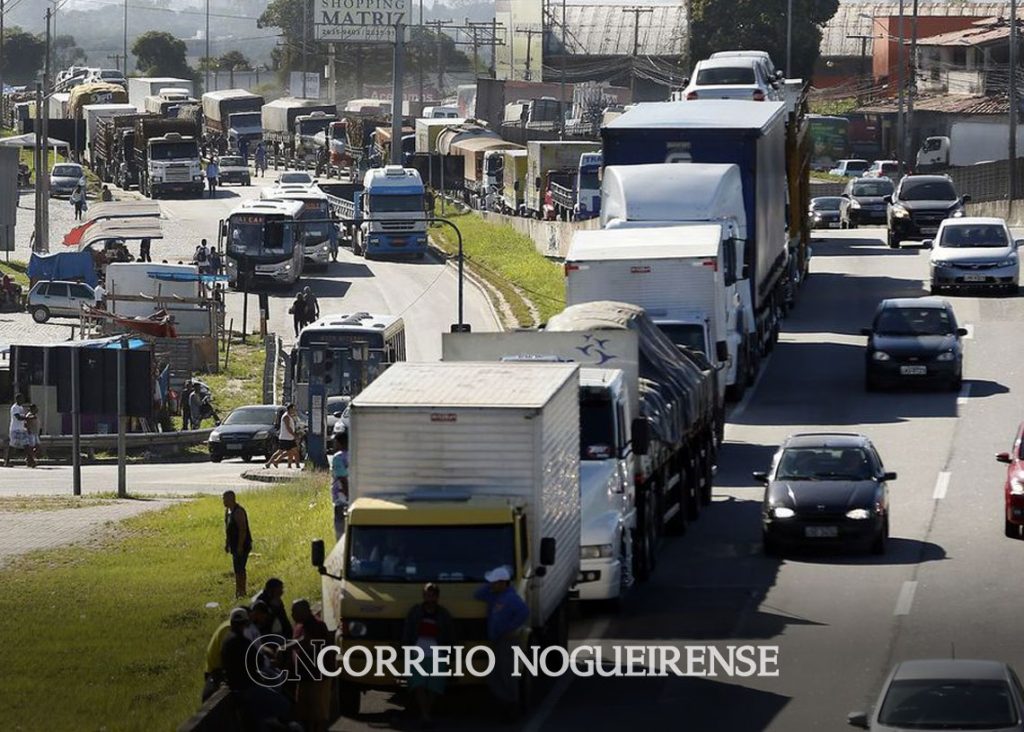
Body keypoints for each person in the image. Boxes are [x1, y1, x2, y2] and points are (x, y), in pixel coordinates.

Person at [221, 606, 291, 726]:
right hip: (247, 687)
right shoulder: (243, 642)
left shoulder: (226, 641)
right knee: (284, 705)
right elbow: (258, 662)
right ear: (246, 623)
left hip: (237, 686)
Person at [474, 566, 529, 717]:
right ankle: (506, 703)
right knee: (494, 675)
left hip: (507, 641)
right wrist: (489, 586)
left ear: (503, 583)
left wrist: (511, 628)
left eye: (494, 582)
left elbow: (524, 612)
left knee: (507, 675)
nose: (491, 584)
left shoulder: (511, 598)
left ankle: (512, 705)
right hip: (497, 641)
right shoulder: (495, 596)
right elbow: (477, 594)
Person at [402, 583, 454, 727]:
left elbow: (449, 635)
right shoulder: (415, 612)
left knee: (434, 686)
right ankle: (425, 715)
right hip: (418, 651)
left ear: (437, 597)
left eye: (431, 595)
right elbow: (408, 631)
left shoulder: (443, 614)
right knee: (418, 684)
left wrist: (450, 654)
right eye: (426, 595)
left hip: (438, 653)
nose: (428, 598)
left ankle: (426, 713)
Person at [291, 599, 333, 732]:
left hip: (318, 676)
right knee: (304, 711)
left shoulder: (316, 625)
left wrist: (284, 647)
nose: (292, 615)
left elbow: (306, 642)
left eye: (294, 612)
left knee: (317, 713)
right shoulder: (299, 625)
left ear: (304, 611)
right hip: (304, 675)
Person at [223, 490, 253, 598]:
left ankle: (242, 591)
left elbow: (243, 530)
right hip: (234, 544)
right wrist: (227, 543)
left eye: (225, 499)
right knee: (236, 569)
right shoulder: (228, 511)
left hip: (242, 544)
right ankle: (238, 591)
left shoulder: (238, 512)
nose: (223, 501)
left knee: (241, 568)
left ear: (231, 499)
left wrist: (240, 546)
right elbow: (227, 528)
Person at [266, 404, 301, 469]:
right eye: (293, 409)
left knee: (293, 452)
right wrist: (294, 435)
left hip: (290, 438)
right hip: (285, 438)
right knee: (282, 452)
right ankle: (270, 462)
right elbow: (288, 428)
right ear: (289, 409)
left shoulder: (290, 416)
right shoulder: (286, 417)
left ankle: (290, 465)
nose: (294, 410)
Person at [330, 432, 349, 540]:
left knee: (340, 527)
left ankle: (340, 545)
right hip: (354, 496)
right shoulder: (353, 455)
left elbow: (342, 478)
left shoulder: (338, 457)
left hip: (341, 498)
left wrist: (347, 494)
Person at [6, 394, 31, 468]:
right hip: (15, 430)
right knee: (12, 446)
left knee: (26, 444)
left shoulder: (21, 407)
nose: (23, 400)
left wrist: (26, 426)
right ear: (17, 399)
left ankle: (30, 461)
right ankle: (7, 462)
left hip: (21, 429)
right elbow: (18, 417)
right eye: (21, 399)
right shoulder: (15, 407)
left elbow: (22, 420)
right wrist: (27, 418)